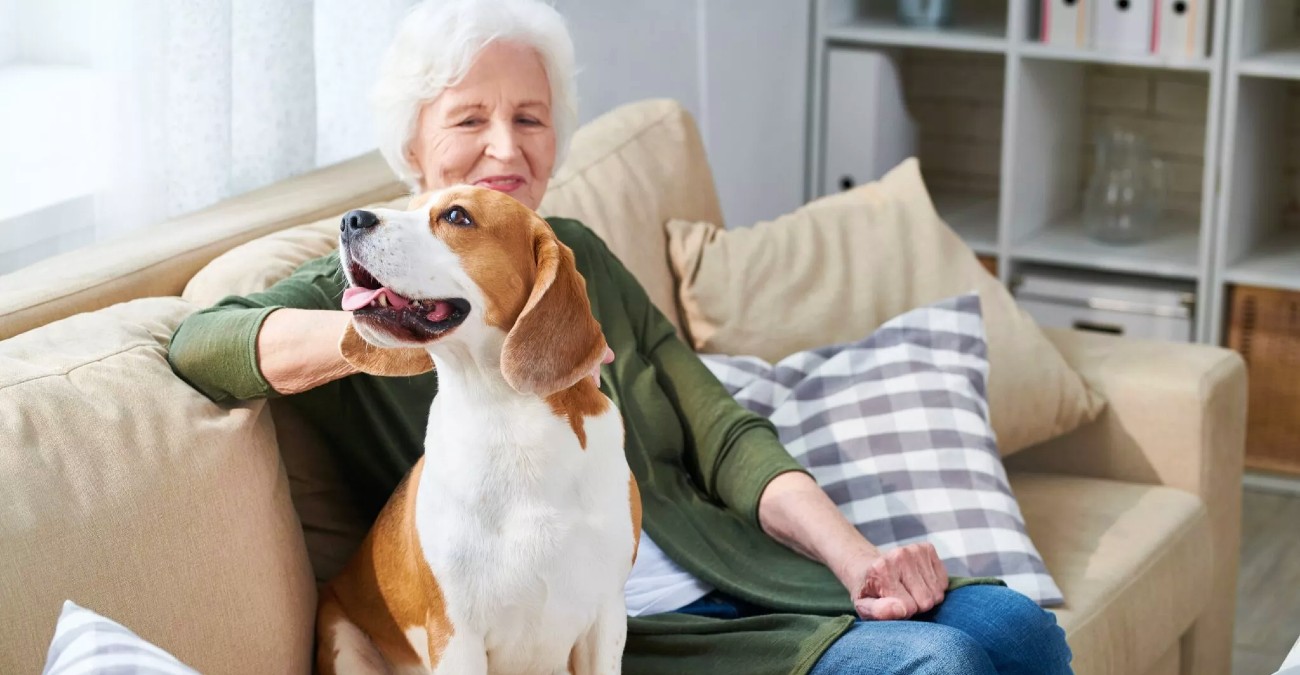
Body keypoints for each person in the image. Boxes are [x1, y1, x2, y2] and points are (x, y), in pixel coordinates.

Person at [167, 1, 1072, 673]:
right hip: (614, 639)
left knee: (1017, 627)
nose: (505, 149)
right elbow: (202, 343)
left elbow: (721, 429)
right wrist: (379, 327)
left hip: (732, 576)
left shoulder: (574, 255)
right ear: (413, 145)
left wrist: (854, 557)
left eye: (529, 118)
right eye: (469, 119)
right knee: (940, 664)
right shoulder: (367, 274)